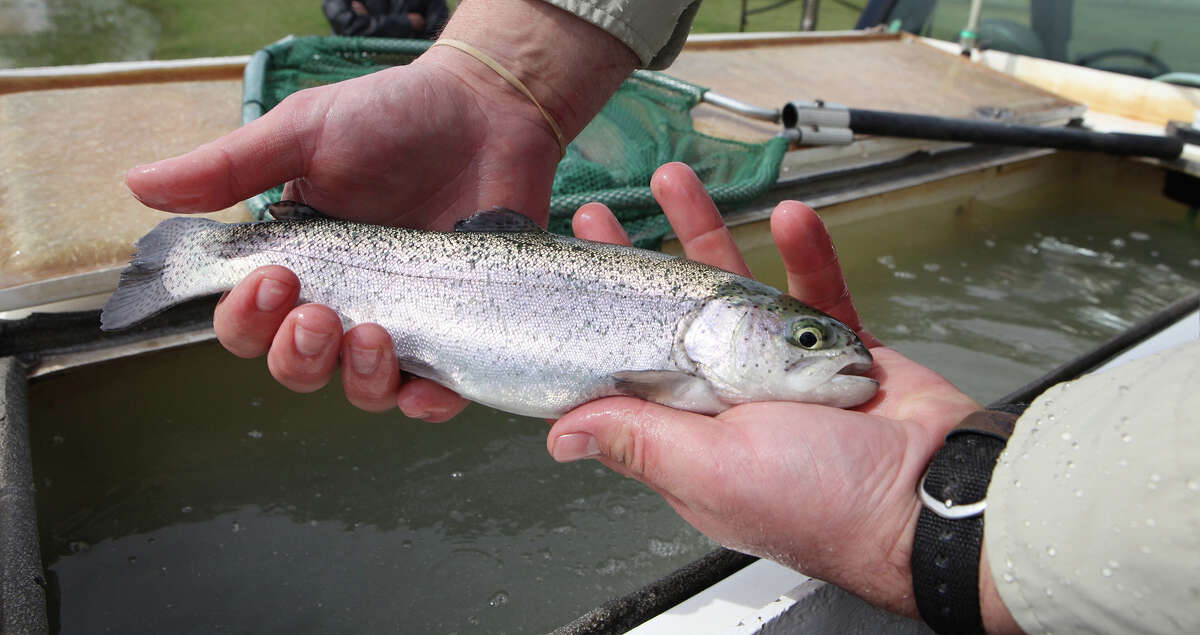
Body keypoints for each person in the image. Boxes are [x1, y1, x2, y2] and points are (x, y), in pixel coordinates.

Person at [124, 1, 1197, 632]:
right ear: (727, 326)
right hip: (365, 268)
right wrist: (502, 77)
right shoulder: (679, 349)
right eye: (807, 339)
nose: (836, 353)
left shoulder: (692, 359)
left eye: (814, 340)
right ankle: (219, 262)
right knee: (335, 327)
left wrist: (931, 527)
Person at [322, 0, 449, 40]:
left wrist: (368, 20)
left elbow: (436, 33)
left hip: (405, 65)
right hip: (354, 63)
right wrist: (406, 23)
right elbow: (346, 25)